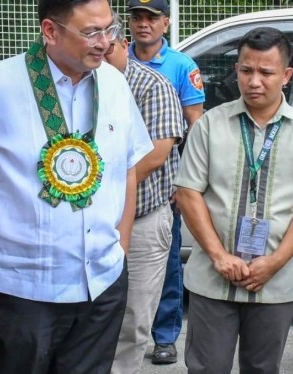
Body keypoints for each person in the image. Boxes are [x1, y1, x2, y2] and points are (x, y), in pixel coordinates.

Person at [0, 0, 153, 372]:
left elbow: (126, 167)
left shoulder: (114, 84)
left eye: (110, 29)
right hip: (21, 288)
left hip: (100, 282)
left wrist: (121, 245)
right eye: (91, 32)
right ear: (50, 31)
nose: (105, 42)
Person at [176, 27, 293, 373]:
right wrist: (219, 256)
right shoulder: (209, 126)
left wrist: (275, 262)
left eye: (266, 72)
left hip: (275, 283)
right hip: (212, 278)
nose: (254, 81)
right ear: (236, 70)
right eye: (246, 70)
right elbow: (188, 194)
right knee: (206, 368)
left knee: (262, 368)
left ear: (286, 75)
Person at [104, 12, 185, 374]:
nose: (101, 58)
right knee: (89, 318)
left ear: (124, 45)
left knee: (132, 319)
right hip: (91, 220)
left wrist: (94, 185)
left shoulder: (152, 86)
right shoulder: (80, 85)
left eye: (109, 51)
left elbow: (156, 153)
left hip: (142, 221)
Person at [126, 0, 206, 364]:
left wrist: (185, 179)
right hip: (114, 183)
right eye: (137, 17)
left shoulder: (180, 66)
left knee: (168, 262)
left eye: (152, 18)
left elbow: (196, 127)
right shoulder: (112, 59)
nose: (144, 24)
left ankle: (164, 336)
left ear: (166, 23)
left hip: (161, 186)